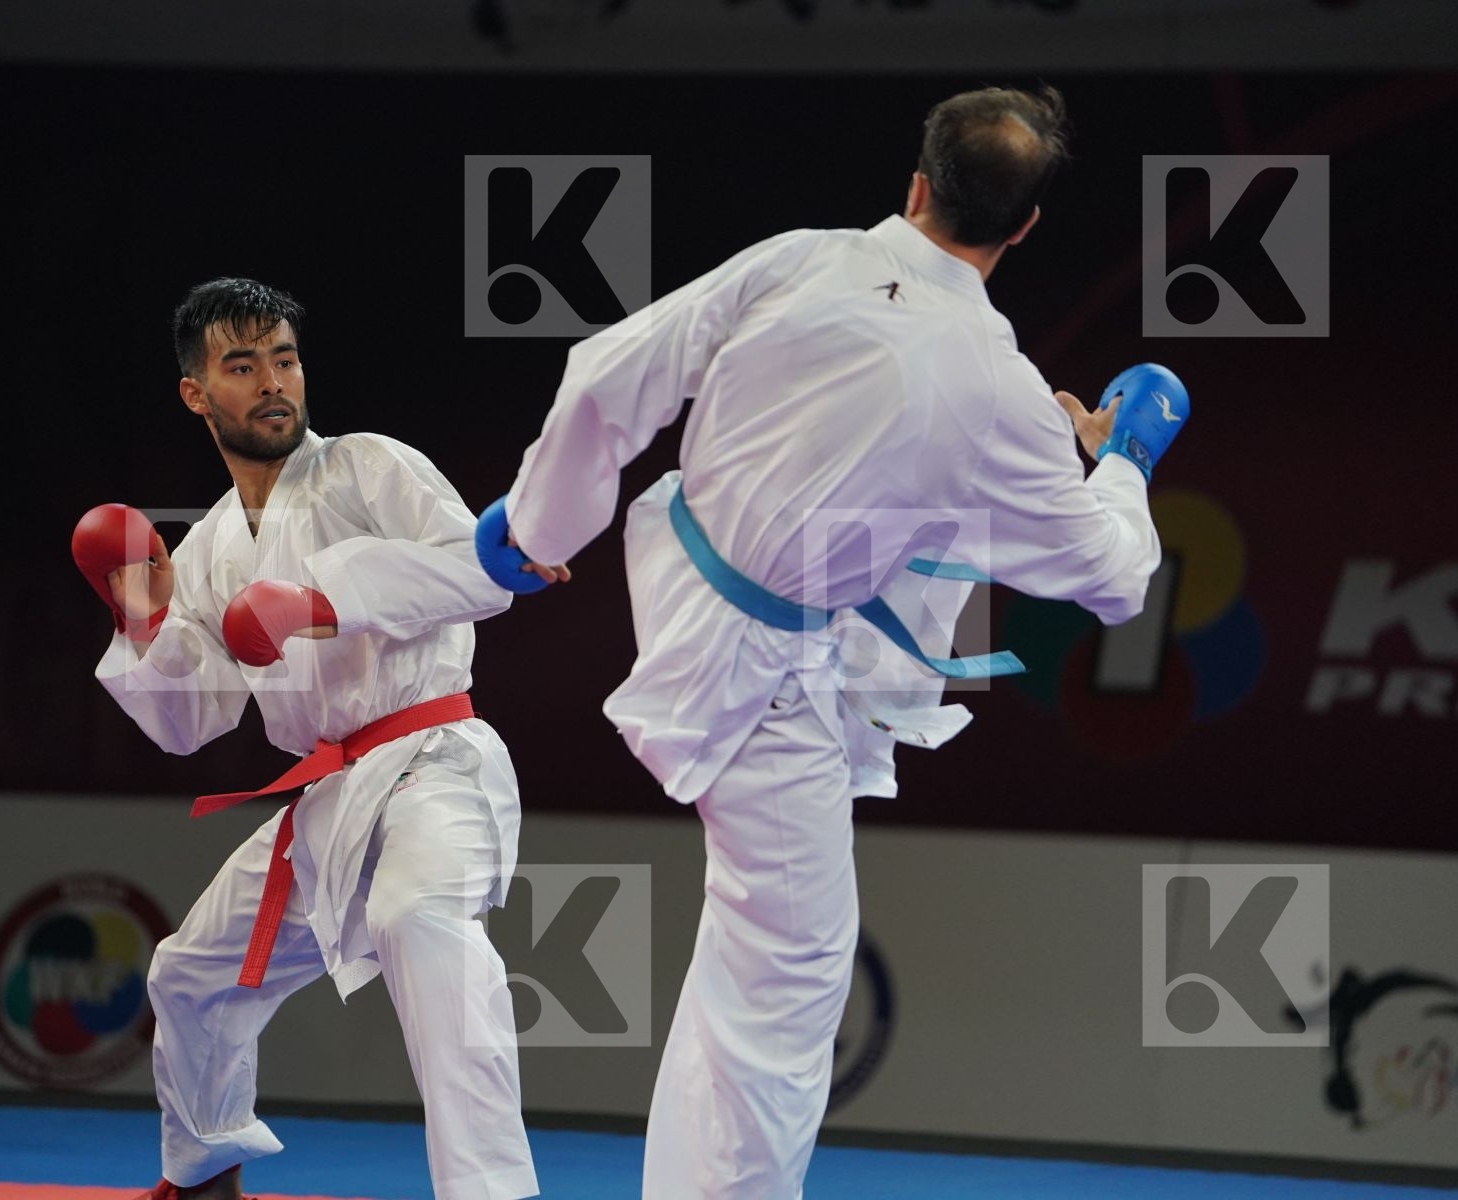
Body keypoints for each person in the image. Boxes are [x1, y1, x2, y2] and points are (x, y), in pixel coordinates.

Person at [482, 85, 1182, 1198]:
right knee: (789, 980)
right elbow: (1113, 579)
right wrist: (1127, 458)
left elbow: (604, 375)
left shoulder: (802, 257)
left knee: (748, 958)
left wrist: (532, 532)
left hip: (688, 576)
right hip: (763, 671)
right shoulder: (997, 384)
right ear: (1027, 228)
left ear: (915, 183)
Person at [75, 279, 548, 1200]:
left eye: (284, 359)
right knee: (190, 977)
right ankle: (206, 1172)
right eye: (242, 367)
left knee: (421, 922)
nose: (272, 382)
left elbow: (483, 575)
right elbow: (190, 722)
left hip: (432, 767)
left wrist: (321, 603)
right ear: (197, 394)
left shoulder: (370, 468)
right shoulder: (210, 544)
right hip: (328, 803)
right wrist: (146, 623)